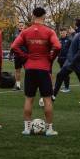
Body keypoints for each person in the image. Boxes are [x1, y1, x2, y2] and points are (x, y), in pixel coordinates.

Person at [11, 7, 60, 137]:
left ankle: (27, 129)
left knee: (29, 99)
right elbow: (58, 46)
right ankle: (49, 129)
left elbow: (14, 46)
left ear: (33, 16)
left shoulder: (26, 32)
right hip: (44, 69)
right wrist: (51, 58)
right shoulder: (49, 32)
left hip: (30, 68)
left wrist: (25, 57)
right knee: (47, 99)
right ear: (44, 16)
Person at [53, 18, 80, 107]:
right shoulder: (78, 33)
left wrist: (73, 61)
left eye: (74, 23)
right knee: (60, 75)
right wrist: (74, 33)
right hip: (72, 63)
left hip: (77, 64)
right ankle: (53, 96)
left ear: (76, 24)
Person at [11, 21, 26, 91]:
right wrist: (11, 53)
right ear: (18, 26)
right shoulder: (15, 34)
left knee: (28, 71)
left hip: (25, 55)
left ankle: (29, 85)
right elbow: (13, 44)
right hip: (17, 55)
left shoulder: (27, 33)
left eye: (22, 25)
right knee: (17, 70)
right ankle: (18, 86)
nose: (21, 26)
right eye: (20, 25)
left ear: (24, 26)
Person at [57, 28, 73, 93]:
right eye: (61, 33)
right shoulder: (59, 40)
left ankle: (67, 87)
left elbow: (72, 49)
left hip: (66, 59)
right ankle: (65, 85)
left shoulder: (69, 40)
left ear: (66, 33)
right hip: (60, 59)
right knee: (62, 73)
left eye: (63, 33)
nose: (62, 34)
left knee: (65, 73)